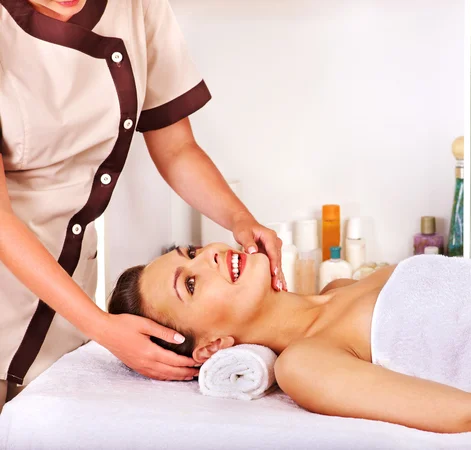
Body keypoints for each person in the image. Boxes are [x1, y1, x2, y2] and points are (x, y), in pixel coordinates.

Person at [0, 0, 285, 412]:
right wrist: (100, 326)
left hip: (65, 321)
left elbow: (177, 149)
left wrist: (240, 219)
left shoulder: (138, 6)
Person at [108, 243, 471, 436]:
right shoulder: (306, 364)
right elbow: (468, 412)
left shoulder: (341, 288)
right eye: (190, 284)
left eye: (190, 252)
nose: (207, 257)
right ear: (211, 347)